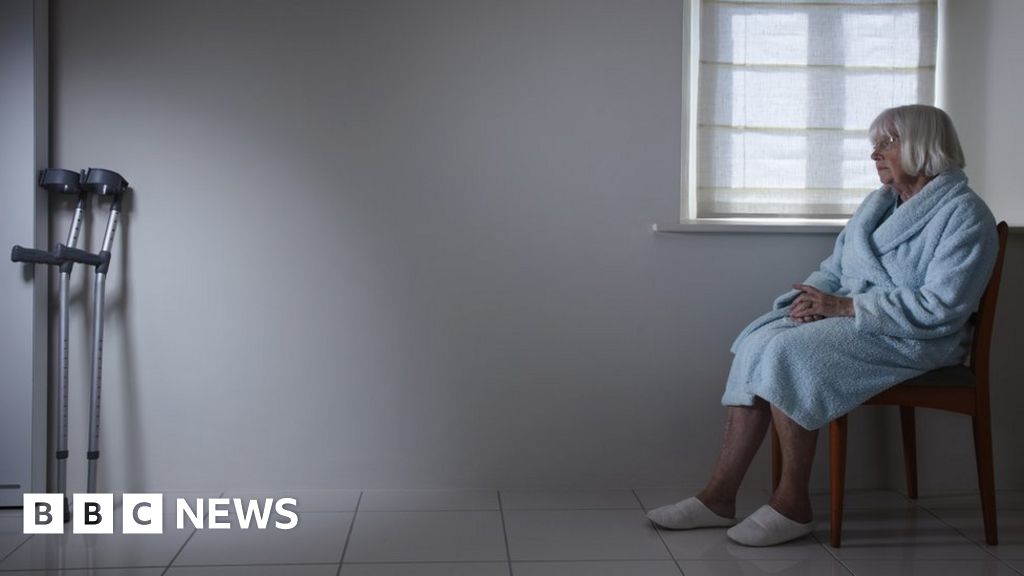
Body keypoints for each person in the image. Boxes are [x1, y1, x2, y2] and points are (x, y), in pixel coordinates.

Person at [647, 105, 999, 546]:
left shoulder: (964, 214)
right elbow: (834, 269)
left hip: (916, 337)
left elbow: (941, 307)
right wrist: (809, 302)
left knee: (791, 351)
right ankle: (719, 496)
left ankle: (792, 504)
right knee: (758, 339)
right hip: (863, 320)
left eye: (887, 143)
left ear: (923, 145)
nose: (875, 154)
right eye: (874, 144)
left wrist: (845, 306)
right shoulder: (877, 206)